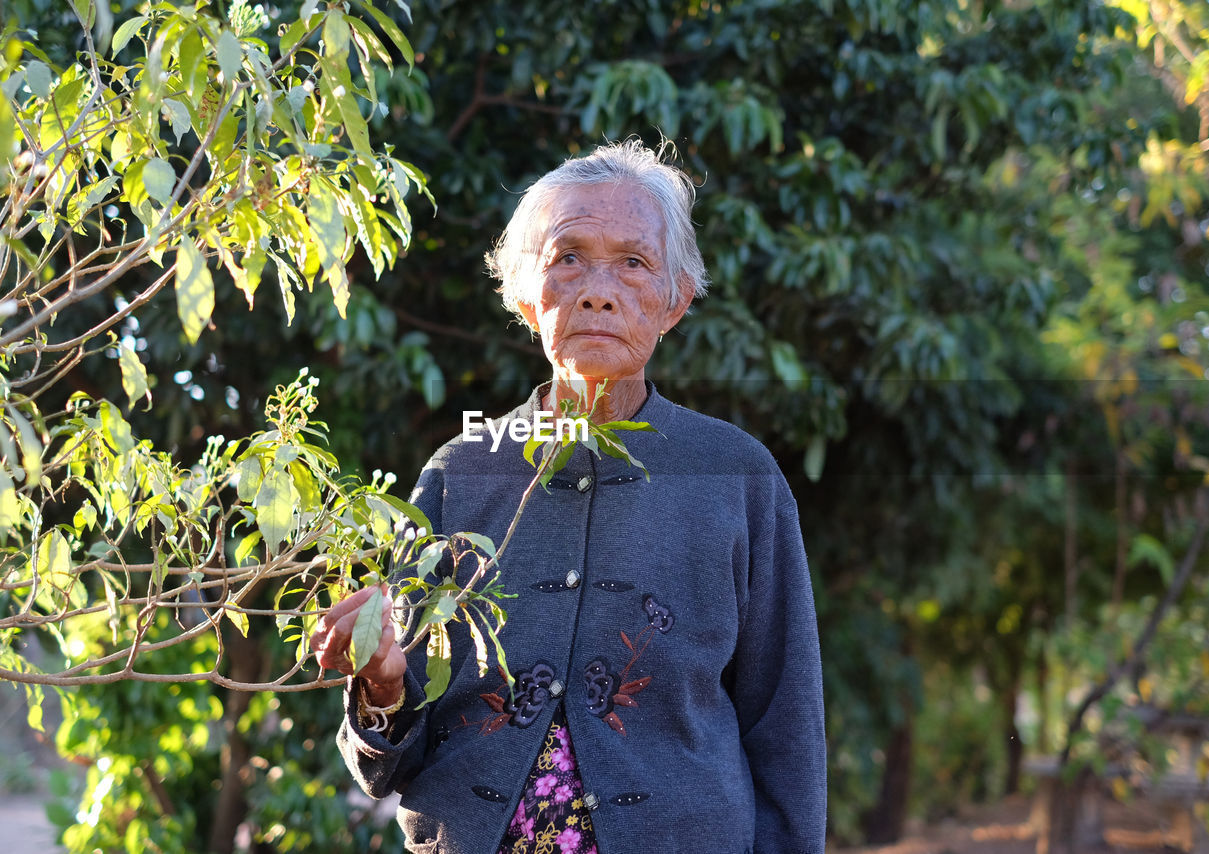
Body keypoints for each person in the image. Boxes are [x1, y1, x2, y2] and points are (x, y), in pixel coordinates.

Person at [310, 140, 826, 853]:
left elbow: (786, 727)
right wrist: (385, 686)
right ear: (525, 292)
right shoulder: (460, 473)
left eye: (634, 263)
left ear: (676, 300)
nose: (597, 289)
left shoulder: (737, 477)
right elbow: (385, 764)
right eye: (568, 257)